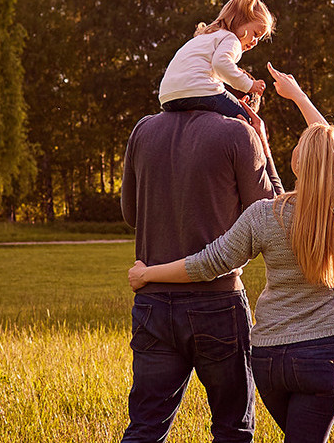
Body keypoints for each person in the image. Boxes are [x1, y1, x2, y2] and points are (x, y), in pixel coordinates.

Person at [131, 65, 334, 443]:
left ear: (297, 162)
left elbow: (209, 262)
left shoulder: (265, 217)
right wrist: (299, 96)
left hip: (269, 359)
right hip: (322, 358)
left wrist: (149, 274)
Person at [121, 55, 286, 441]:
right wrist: (260, 140)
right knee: (232, 429)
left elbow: (131, 213)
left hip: (153, 303)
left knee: (145, 428)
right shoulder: (237, 134)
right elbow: (271, 216)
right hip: (217, 303)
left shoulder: (143, 130)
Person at [157, 0, 274, 123]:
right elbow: (221, 64)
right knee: (247, 119)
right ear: (240, 20)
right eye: (255, 34)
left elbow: (214, 70)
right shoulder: (231, 39)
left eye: (258, 39)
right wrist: (249, 85)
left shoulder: (205, 37)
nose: (255, 42)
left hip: (168, 96)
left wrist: (230, 100)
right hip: (198, 90)